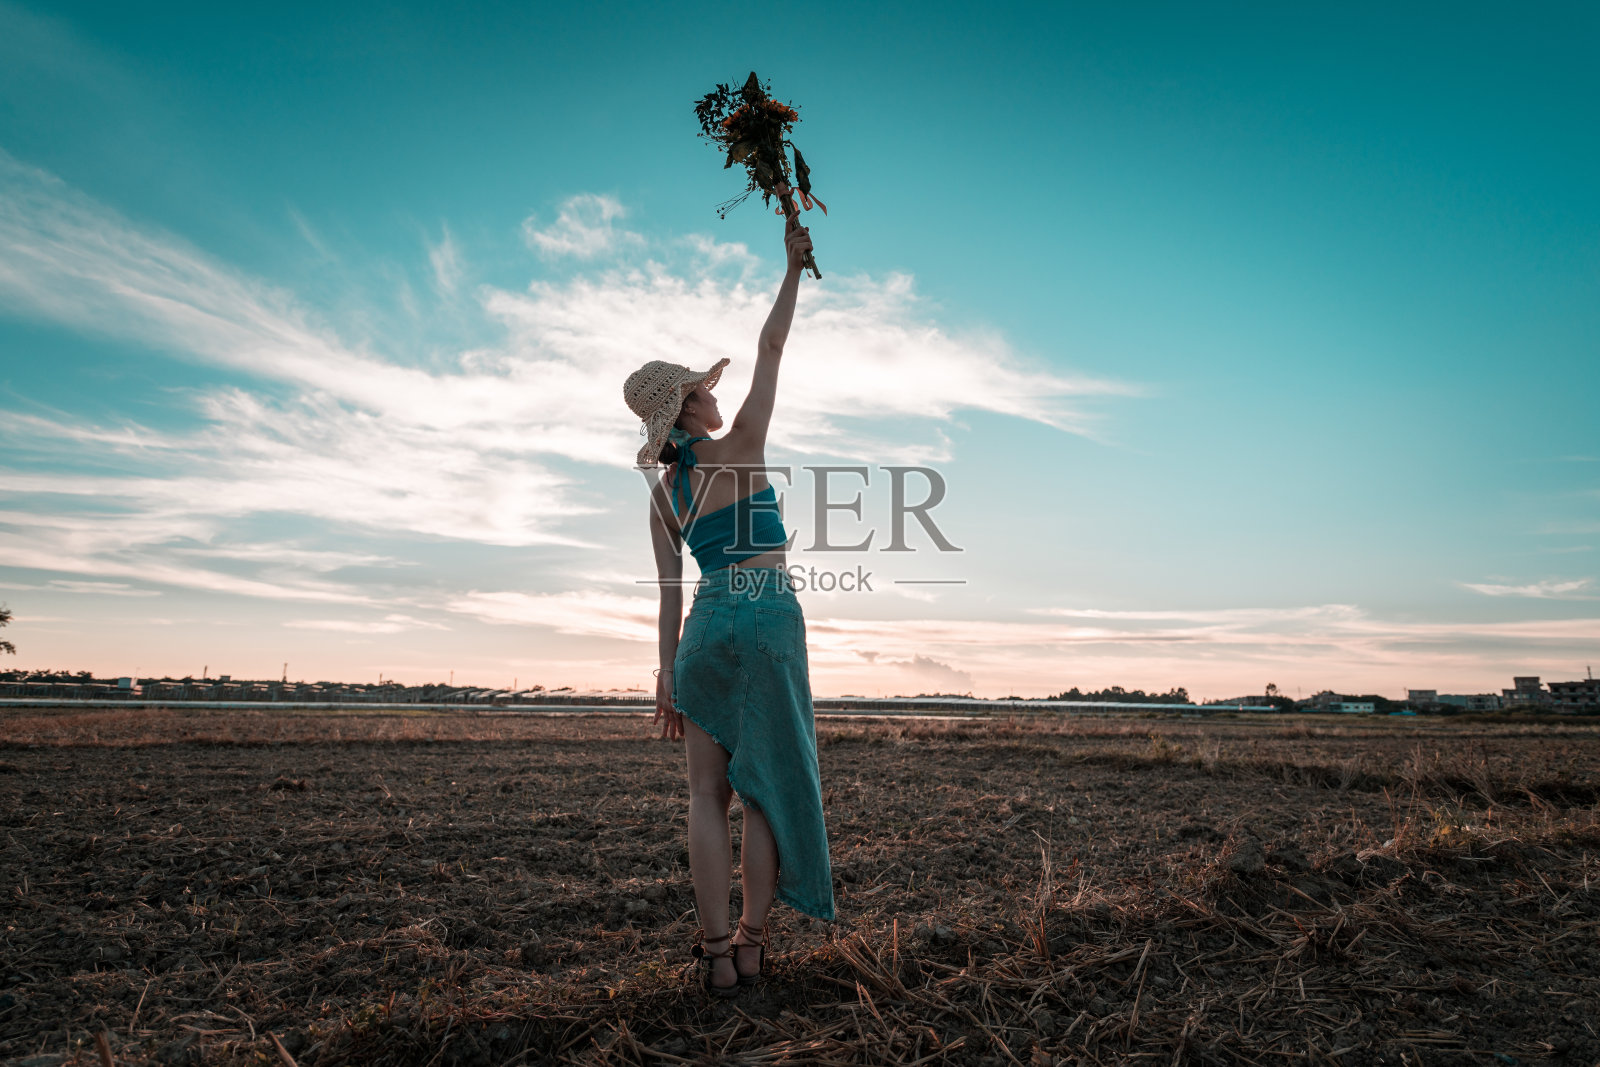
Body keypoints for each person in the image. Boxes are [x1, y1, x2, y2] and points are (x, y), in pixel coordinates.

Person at [621, 210, 835, 999]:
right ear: (685, 408)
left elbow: (669, 596)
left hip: (706, 629)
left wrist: (665, 673)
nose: (714, 395)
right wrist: (791, 269)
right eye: (701, 389)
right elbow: (771, 347)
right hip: (768, 612)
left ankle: (715, 954)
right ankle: (751, 944)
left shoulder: (663, 497)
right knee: (766, 791)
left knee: (704, 795)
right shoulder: (744, 441)